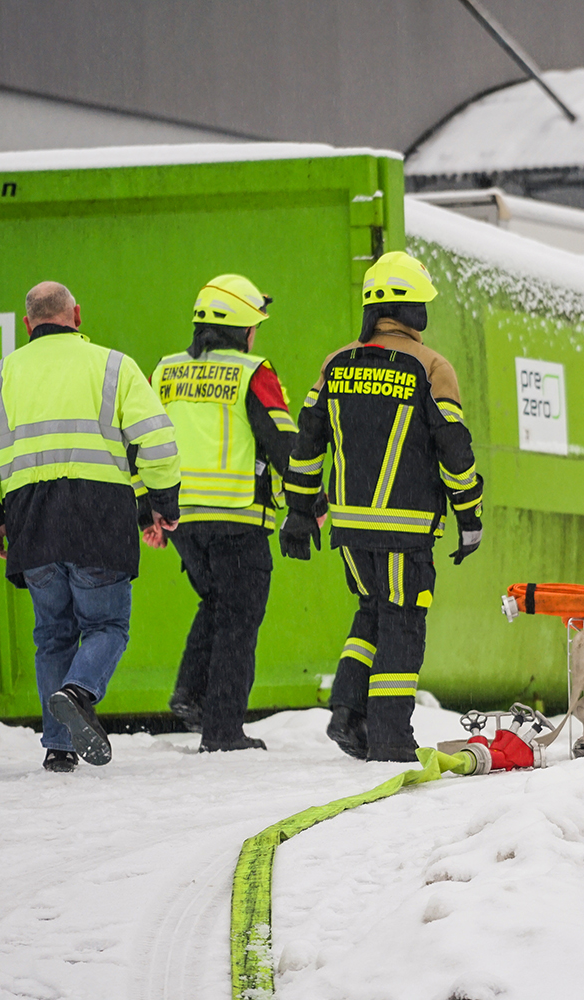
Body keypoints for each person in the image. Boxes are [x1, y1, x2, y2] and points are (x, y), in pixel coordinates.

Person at [0, 281, 180, 772]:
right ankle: (78, 693)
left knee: (53, 633)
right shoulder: (115, 366)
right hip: (100, 518)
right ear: (76, 314)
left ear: (26, 322)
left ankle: (58, 747)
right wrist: (163, 502)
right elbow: (157, 440)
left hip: (31, 520)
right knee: (107, 624)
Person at [283, 251, 483, 762]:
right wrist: (470, 514)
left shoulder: (336, 363)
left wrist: (300, 513)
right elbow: (454, 452)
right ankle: (391, 739)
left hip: (350, 529)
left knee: (371, 612)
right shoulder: (432, 367)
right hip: (406, 528)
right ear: (414, 310)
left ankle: (348, 712)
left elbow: (307, 446)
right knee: (403, 623)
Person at [152, 274, 298, 752]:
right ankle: (222, 731)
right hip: (237, 517)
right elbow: (280, 439)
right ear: (243, 328)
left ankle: (192, 694)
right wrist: (309, 501)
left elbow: (144, 443)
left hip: (184, 522)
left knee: (215, 602)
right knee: (239, 619)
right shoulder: (252, 372)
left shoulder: (166, 371)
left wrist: (148, 509)